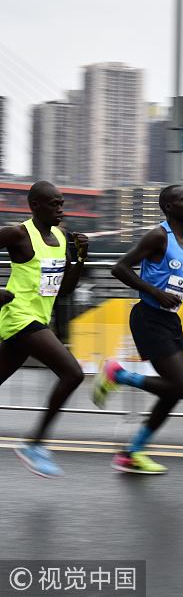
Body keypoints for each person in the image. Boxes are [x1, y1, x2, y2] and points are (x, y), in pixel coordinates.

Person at [93, 184, 183, 474]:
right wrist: (154, 293)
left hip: (170, 320)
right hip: (148, 317)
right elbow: (119, 268)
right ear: (169, 207)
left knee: (173, 392)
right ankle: (118, 374)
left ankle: (131, 453)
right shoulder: (158, 236)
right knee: (181, 387)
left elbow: (178, 279)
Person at [0, 181, 88, 477]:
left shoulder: (63, 238)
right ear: (34, 205)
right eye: (54, 204)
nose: (60, 209)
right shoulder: (18, 234)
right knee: (73, 373)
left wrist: (79, 258)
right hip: (18, 317)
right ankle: (34, 444)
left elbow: (64, 289)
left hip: (39, 319)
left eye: (62, 203)